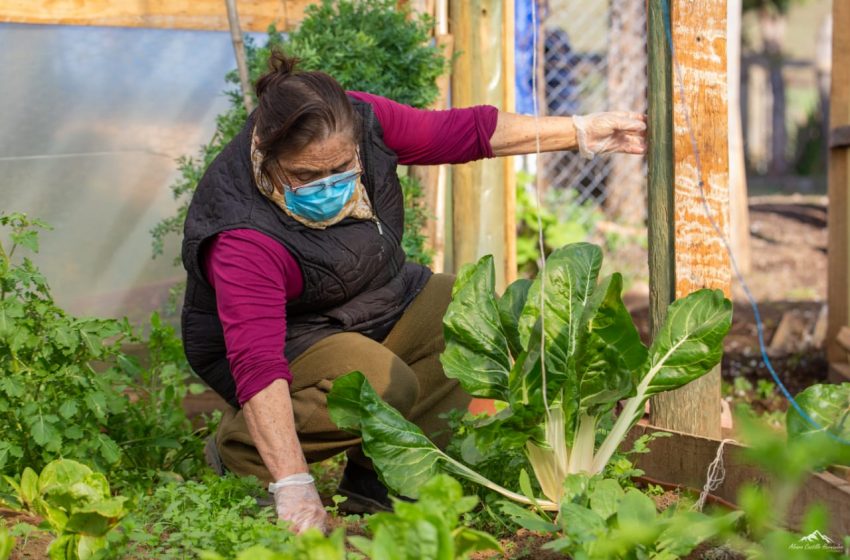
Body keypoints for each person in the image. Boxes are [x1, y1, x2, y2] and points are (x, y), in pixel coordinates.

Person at [180, 51, 646, 535]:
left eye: (340, 168)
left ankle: (378, 480)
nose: (328, 185)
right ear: (268, 155)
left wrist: (582, 131)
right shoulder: (242, 238)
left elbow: (465, 132)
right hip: (286, 342)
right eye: (304, 176)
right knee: (384, 382)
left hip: (362, 303)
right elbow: (256, 364)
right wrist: (295, 483)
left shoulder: (361, 119)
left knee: (464, 315)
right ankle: (244, 453)